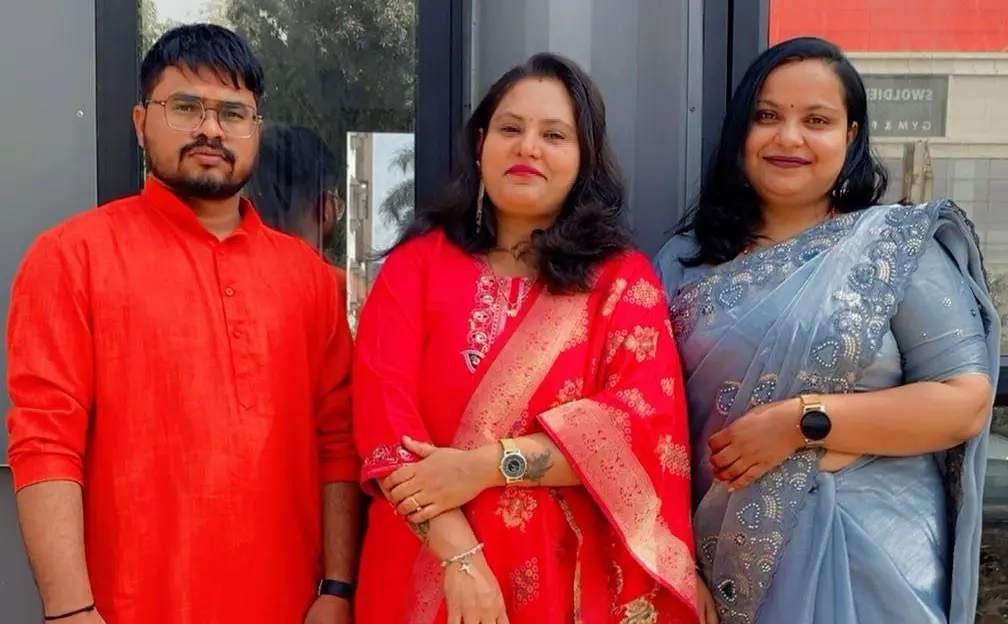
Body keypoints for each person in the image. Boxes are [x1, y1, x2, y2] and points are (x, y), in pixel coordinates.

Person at [5, 24, 360, 624]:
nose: (211, 129)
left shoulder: (312, 280)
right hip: (126, 608)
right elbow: (45, 444)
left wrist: (337, 588)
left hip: (290, 606)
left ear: (256, 130)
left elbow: (337, 444)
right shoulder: (72, 257)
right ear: (141, 121)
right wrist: (70, 610)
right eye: (186, 107)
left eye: (232, 113)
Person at [653, 36, 998, 624]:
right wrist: (673, 559)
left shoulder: (895, 247)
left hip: (872, 564)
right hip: (717, 565)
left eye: (816, 120)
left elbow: (965, 401)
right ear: (740, 132)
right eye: (767, 116)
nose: (789, 138)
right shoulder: (683, 262)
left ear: (851, 135)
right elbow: (647, 423)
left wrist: (802, 423)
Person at [351, 52, 699, 623]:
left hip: (565, 583)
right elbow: (385, 429)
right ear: (481, 144)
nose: (528, 147)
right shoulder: (415, 269)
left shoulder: (620, 283)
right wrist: (461, 560)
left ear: (583, 159)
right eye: (510, 129)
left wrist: (486, 466)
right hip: (425, 568)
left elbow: (641, 431)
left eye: (554, 135)